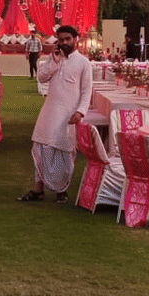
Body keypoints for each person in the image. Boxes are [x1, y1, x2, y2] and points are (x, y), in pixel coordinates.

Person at [17, 25, 92, 204]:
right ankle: (38, 190)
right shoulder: (53, 58)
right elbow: (41, 78)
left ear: (76, 39)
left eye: (68, 39)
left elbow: (87, 91)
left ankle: (62, 190)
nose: (64, 42)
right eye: (61, 40)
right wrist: (54, 62)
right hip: (49, 112)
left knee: (64, 152)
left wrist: (80, 112)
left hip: (69, 115)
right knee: (41, 148)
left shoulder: (83, 63)